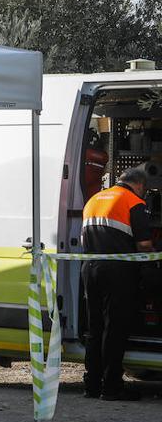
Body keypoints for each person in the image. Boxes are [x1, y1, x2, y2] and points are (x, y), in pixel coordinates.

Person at [81, 165, 155, 401]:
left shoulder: (95, 199)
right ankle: (111, 387)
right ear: (140, 185)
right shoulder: (133, 201)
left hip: (90, 268)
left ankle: (91, 385)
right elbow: (143, 246)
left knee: (95, 328)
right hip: (118, 271)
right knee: (115, 328)